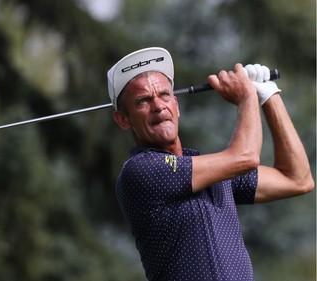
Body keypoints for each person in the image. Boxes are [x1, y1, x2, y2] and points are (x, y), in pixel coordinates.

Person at [107, 47, 314, 281]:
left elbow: (297, 179)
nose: (158, 106)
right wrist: (247, 97)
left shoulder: (213, 172)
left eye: (164, 95)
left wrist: (269, 96)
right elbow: (246, 157)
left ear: (176, 105)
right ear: (123, 119)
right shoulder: (140, 170)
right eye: (143, 100)